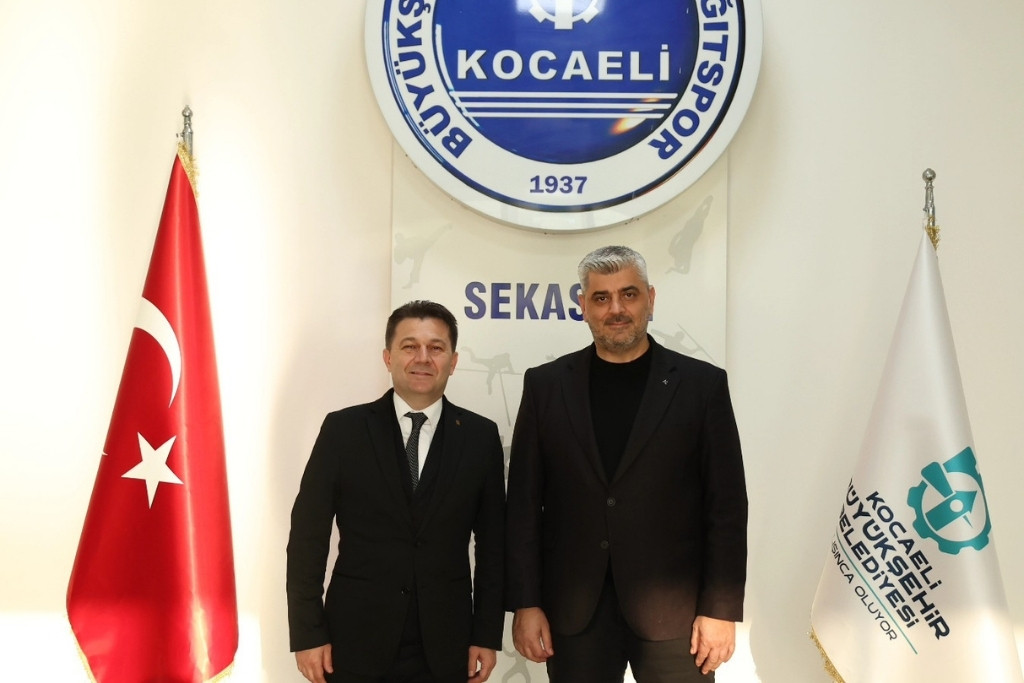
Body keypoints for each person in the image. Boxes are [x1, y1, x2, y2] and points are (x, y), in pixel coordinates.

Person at [505, 246, 747, 682]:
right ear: (583, 306)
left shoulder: (702, 386)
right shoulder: (545, 386)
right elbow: (523, 506)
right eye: (602, 298)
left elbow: (726, 506)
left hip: (677, 616)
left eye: (629, 294)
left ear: (650, 299)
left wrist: (720, 608)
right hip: (574, 613)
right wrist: (527, 602)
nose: (616, 309)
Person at [287, 300, 505, 683]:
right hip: (352, 642)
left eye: (436, 348)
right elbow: (308, 537)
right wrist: (307, 633)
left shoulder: (481, 438)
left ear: (453, 361)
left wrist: (486, 634)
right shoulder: (343, 431)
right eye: (409, 346)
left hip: (446, 645)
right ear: (388, 357)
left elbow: (493, 547)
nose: (423, 358)